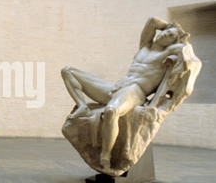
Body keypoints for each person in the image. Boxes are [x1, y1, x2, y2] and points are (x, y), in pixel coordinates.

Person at [61, 16, 190, 170]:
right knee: (68, 71)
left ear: (173, 42)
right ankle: (82, 106)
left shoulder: (169, 51)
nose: (164, 34)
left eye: (169, 36)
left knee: (111, 111)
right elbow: (152, 21)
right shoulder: (145, 47)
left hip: (134, 91)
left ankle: (106, 155)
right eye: (166, 32)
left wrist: (180, 38)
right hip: (115, 88)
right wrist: (169, 26)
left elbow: (187, 53)